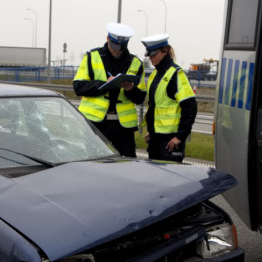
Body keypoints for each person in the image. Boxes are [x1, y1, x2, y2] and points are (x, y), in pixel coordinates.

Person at [72, 22, 147, 157]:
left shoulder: (136, 63)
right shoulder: (92, 57)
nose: (117, 50)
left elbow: (140, 97)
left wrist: (130, 88)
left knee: (127, 165)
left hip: (123, 126)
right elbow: (78, 86)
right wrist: (103, 84)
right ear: (107, 39)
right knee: (93, 163)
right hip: (95, 123)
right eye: (114, 46)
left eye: (121, 47)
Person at [141, 33, 197, 163]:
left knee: (171, 181)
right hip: (156, 139)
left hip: (170, 142)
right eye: (149, 55)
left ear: (164, 51)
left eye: (153, 55)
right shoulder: (155, 74)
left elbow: (190, 107)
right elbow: (155, 106)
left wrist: (180, 136)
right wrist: (152, 131)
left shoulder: (176, 74)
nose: (151, 58)